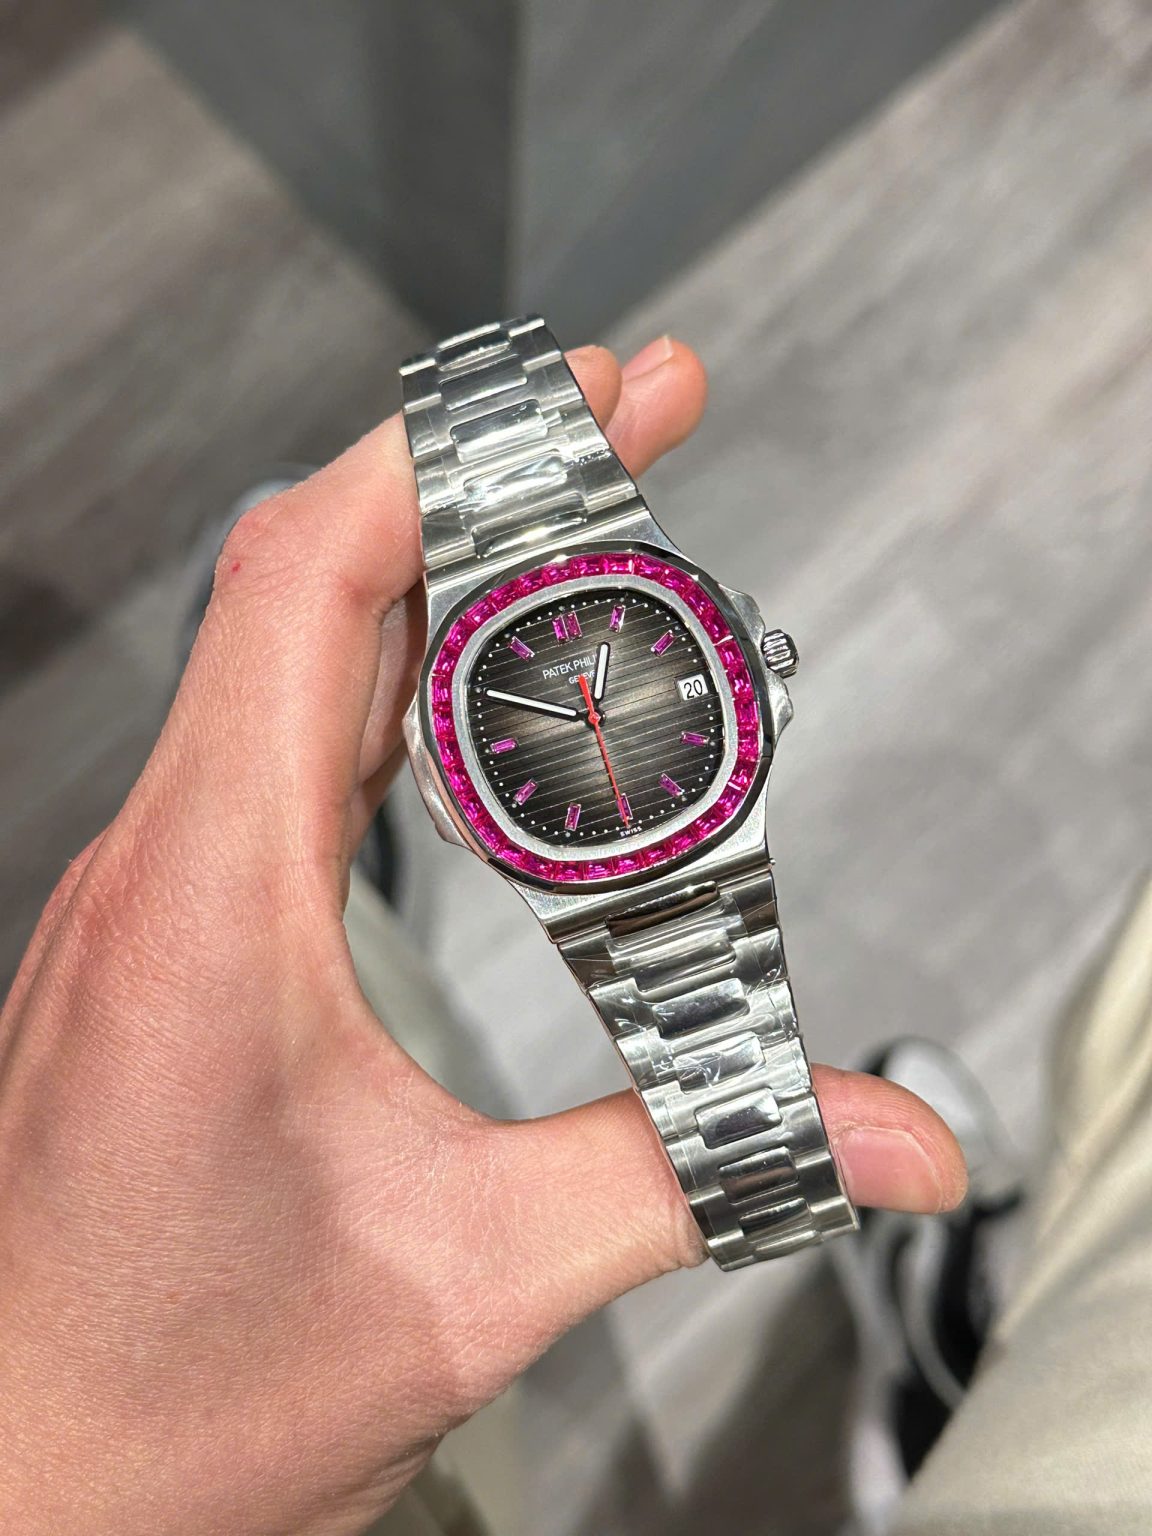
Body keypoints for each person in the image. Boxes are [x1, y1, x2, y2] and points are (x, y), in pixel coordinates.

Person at [9, 333, 1100, 1535]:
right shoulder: (629, 687)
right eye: (561, 706)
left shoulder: (597, 700)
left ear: (751, 669)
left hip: (636, 837)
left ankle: (352, 910)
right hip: (627, 843)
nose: (588, 707)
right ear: (458, 795)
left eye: (593, 698)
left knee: (375, 987)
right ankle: (353, 912)